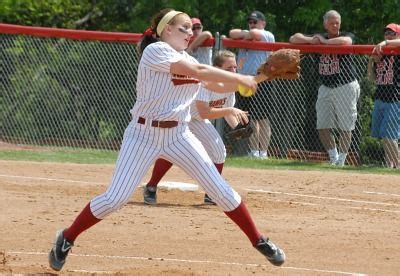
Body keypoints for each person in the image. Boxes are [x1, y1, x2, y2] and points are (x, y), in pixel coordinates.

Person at [48, 9, 285, 271]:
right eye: (183, 28)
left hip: (178, 135)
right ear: (166, 31)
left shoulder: (185, 56)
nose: (190, 33)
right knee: (116, 198)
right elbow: (196, 69)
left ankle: (259, 240)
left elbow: (216, 86)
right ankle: (67, 237)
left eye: (191, 29)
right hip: (142, 135)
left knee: (219, 189)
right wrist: (239, 77)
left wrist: (260, 76)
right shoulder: (156, 51)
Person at [143, 50, 249, 206]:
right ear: (217, 69)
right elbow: (204, 112)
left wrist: (238, 127)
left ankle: (212, 193)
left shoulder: (229, 87)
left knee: (219, 151)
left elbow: (227, 112)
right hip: (183, 119)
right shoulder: (206, 84)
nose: (233, 71)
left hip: (198, 121)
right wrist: (230, 111)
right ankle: (151, 186)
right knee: (171, 152)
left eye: (234, 68)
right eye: (229, 69)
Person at [289, 10, 360, 166]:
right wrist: (312, 40)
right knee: (322, 125)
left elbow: (347, 41)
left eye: (337, 22)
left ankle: (341, 160)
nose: (335, 25)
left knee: (345, 126)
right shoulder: (319, 36)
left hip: (345, 85)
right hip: (326, 86)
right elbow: (293, 38)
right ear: (325, 24)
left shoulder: (346, 34)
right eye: (331, 23)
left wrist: (324, 43)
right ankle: (333, 157)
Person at [229, 11, 275, 159]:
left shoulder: (267, 34)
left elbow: (255, 34)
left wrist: (246, 34)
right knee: (249, 118)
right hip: (244, 82)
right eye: (250, 22)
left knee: (262, 119)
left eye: (255, 22)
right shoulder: (246, 35)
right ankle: (254, 152)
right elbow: (232, 32)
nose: (252, 25)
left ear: (263, 23)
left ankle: (264, 153)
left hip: (261, 81)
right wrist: (245, 34)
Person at [367, 23, 400, 169]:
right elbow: (371, 78)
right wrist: (371, 61)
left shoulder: (396, 50)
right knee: (383, 135)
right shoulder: (380, 53)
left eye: (392, 33)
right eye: (386, 34)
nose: (388, 35)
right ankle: (389, 165)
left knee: (390, 135)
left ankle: (398, 165)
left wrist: (385, 42)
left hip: (395, 98)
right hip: (380, 97)